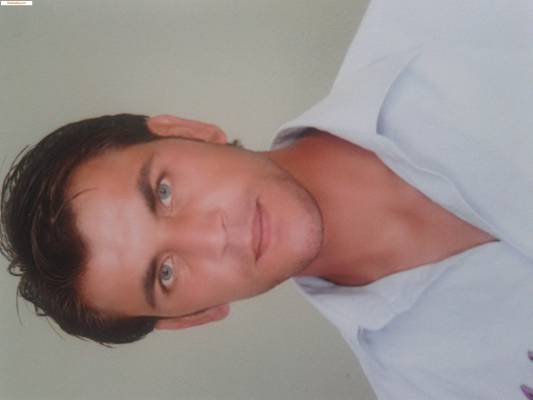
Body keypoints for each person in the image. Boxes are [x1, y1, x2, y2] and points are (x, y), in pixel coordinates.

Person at [1, 0, 532, 398]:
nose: (212, 236)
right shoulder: (428, 386)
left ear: (188, 130)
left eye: (163, 191)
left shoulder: (454, 13)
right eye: (165, 273)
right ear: (191, 318)